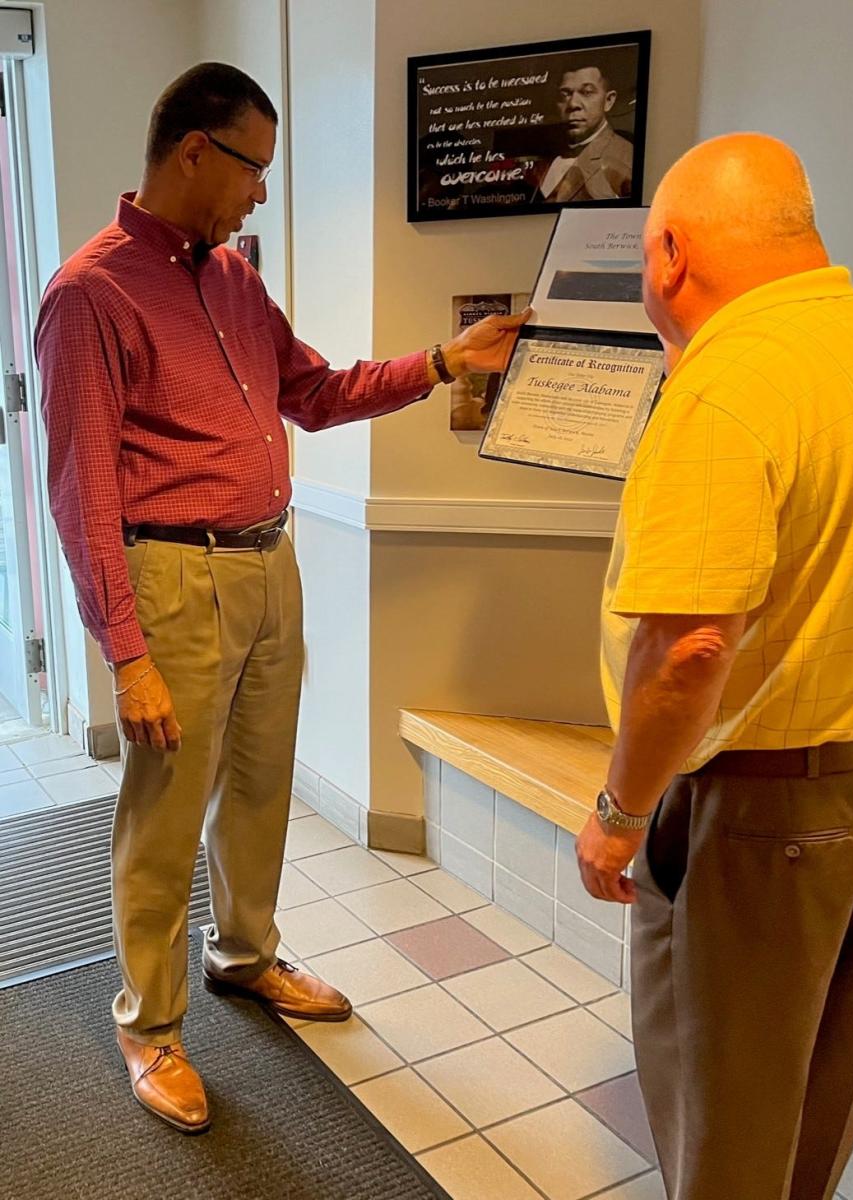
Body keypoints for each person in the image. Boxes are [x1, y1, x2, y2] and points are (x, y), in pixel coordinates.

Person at [35, 62, 526, 1136]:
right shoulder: (90, 294)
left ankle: (244, 958)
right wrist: (126, 653)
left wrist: (443, 360)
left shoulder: (233, 282)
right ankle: (148, 1025)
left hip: (269, 566)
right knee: (165, 814)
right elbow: (80, 493)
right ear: (196, 151)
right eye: (255, 167)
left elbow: (312, 392)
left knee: (259, 790)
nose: (264, 191)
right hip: (173, 574)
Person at [575, 132, 853, 1199]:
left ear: (668, 255)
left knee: (726, 1125)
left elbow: (690, 648)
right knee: (820, 1100)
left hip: (772, 813)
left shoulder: (728, 387)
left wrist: (617, 809)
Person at [533, 65, 634, 203]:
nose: (573, 104)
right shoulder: (541, 159)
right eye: (565, 94)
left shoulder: (626, 157)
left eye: (587, 92)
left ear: (608, 100)